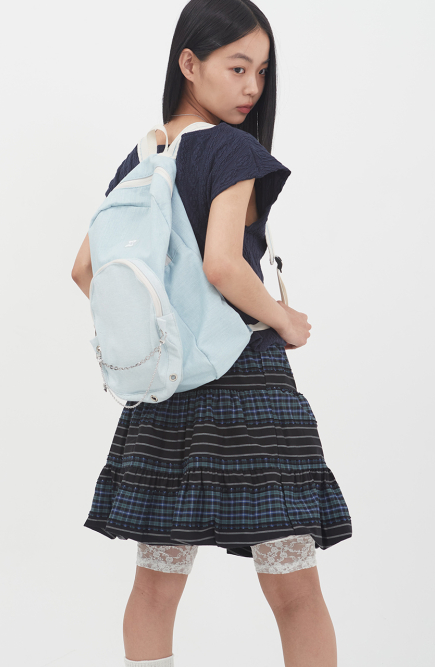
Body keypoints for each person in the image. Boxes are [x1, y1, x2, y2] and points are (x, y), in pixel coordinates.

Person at [71, 1, 352, 665]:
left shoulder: (144, 157)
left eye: (262, 71)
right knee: (295, 593)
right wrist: (282, 317)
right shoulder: (232, 148)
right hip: (249, 385)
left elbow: (86, 270)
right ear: (190, 64)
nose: (253, 87)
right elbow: (222, 264)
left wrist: (163, 325)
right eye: (237, 67)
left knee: (155, 589)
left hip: (167, 389)